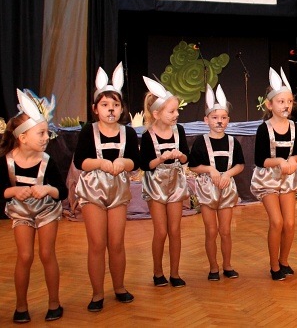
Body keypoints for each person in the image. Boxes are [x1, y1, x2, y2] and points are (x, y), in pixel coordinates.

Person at [74, 63, 140, 312]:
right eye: (104, 105)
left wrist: (124, 162)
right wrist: (100, 163)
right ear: (95, 109)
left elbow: (135, 162)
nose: (110, 109)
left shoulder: (128, 133)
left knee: (117, 243)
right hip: (93, 192)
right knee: (97, 244)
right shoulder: (87, 132)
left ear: (122, 108)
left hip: (118, 192)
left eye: (115, 104)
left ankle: (119, 287)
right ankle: (97, 293)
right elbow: (80, 161)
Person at [1, 90, 66, 323]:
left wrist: (48, 189)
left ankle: (54, 303)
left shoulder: (47, 161)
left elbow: (62, 192)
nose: (46, 137)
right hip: (21, 213)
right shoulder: (7, 161)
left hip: (46, 211)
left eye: (47, 133)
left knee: (47, 254)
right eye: (41, 133)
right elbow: (1, 191)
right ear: (23, 137)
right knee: (25, 256)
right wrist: (13, 191)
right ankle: (21, 306)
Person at [250, 67, 297, 281]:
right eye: (281, 101)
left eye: (289, 101)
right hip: (268, 180)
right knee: (277, 222)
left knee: (289, 223)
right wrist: (280, 161)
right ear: (270, 105)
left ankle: (284, 261)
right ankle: (273, 266)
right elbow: (259, 160)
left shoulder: (295, 127)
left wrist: (293, 161)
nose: (286, 105)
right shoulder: (264, 129)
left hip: (287, 179)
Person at [189, 84, 244, 281]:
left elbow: (240, 165)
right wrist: (210, 169)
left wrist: (228, 174)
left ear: (228, 119)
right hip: (207, 189)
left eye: (223, 117)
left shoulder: (233, 142)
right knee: (211, 231)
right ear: (206, 120)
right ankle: (213, 267)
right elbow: (193, 166)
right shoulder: (200, 141)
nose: (219, 121)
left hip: (226, 188)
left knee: (225, 231)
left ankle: (227, 265)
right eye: (215, 117)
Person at [140, 76, 190, 287]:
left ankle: (175, 273)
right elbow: (145, 165)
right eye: (171, 111)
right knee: (161, 231)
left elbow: (186, 158)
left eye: (177, 110)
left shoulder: (179, 131)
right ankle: (158, 272)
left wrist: (180, 156)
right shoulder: (148, 136)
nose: (176, 114)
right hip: (156, 185)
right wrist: (160, 158)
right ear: (156, 114)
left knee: (175, 231)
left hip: (176, 183)